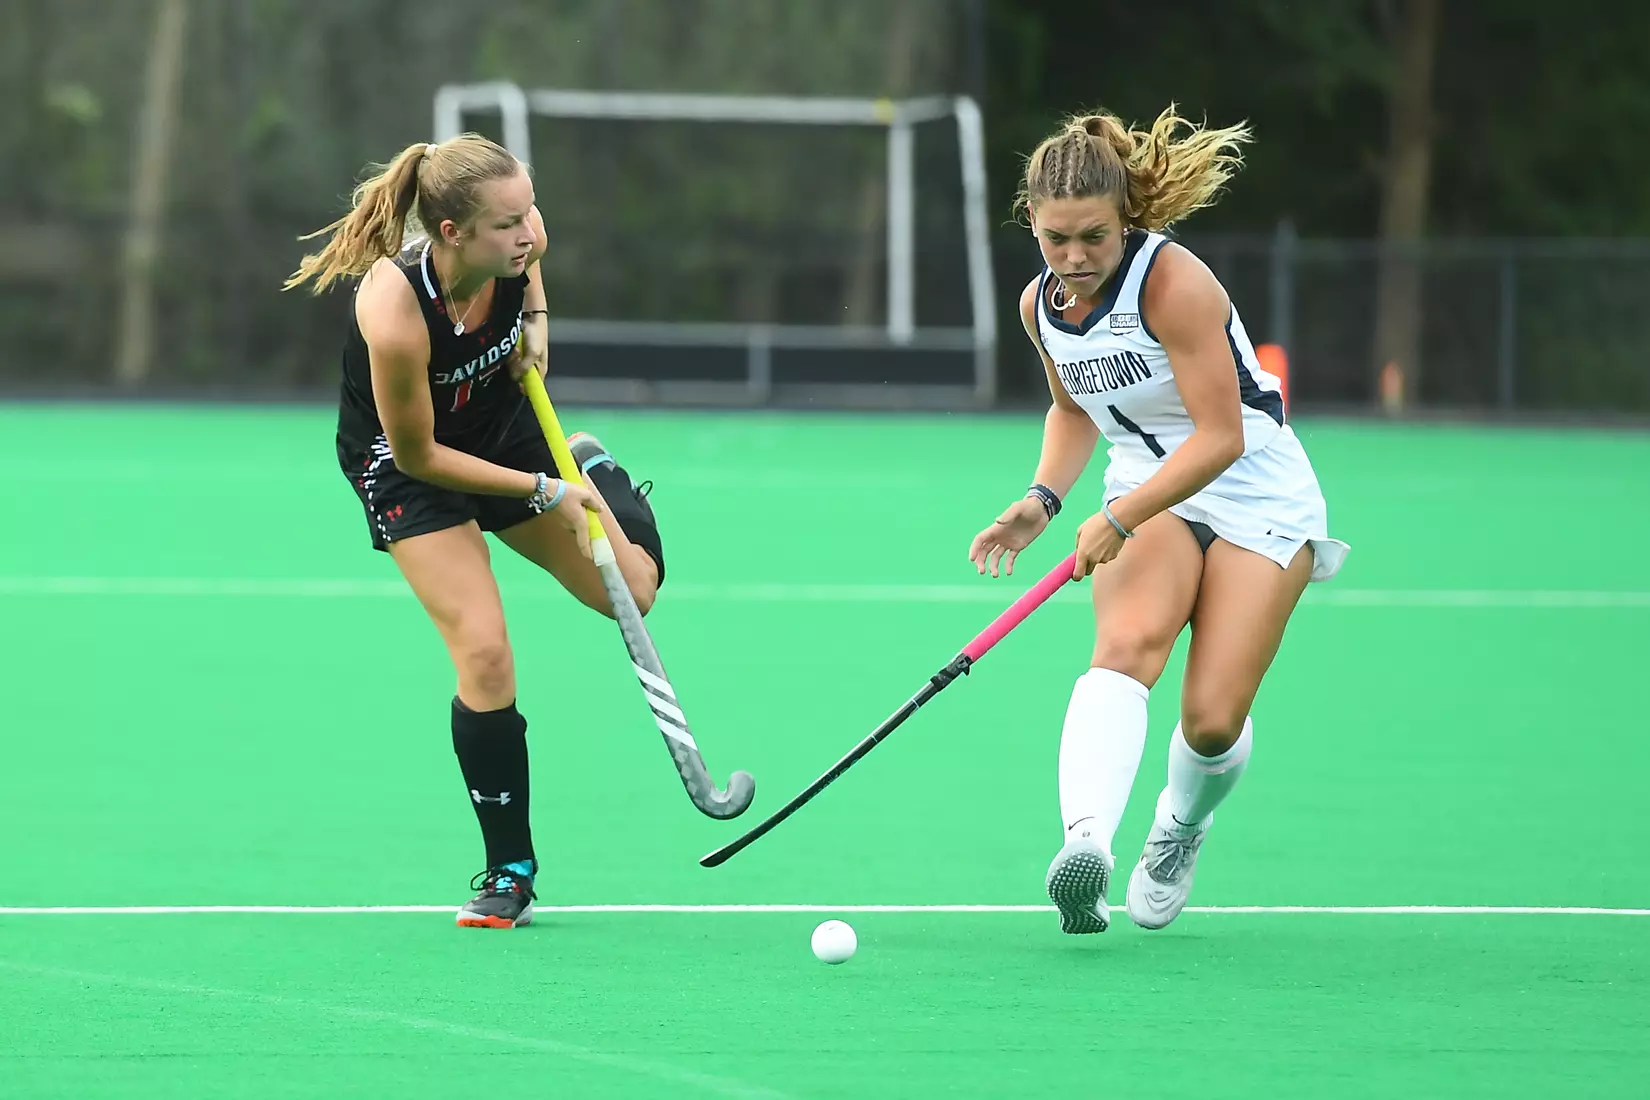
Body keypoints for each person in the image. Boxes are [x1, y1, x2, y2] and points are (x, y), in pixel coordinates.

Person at [968, 106, 1349, 936]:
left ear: (1125, 220)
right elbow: (1072, 411)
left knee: (1211, 719)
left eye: (1093, 240)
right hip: (1145, 484)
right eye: (1055, 238)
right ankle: (1088, 848)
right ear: (1030, 220)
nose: (1072, 259)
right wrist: (1042, 501)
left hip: (1255, 490)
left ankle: (1180, 825)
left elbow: (1222, 436)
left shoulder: (1175, 285)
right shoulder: (1042, 305)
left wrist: (1119, 518)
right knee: (1128, 645)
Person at [283, 134, 667, 929]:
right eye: (508, 223)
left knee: (632, 592)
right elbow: (421, 453)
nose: (528, 232)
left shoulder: (520, 237)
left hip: (503, 422)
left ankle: (604, 476)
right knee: (486, 652)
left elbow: (531, 264)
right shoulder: (394, 310)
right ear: (453, 232)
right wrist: (542, 491)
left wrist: (536, 314)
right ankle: (510, 869)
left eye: (530, 210)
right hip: (410, 463)